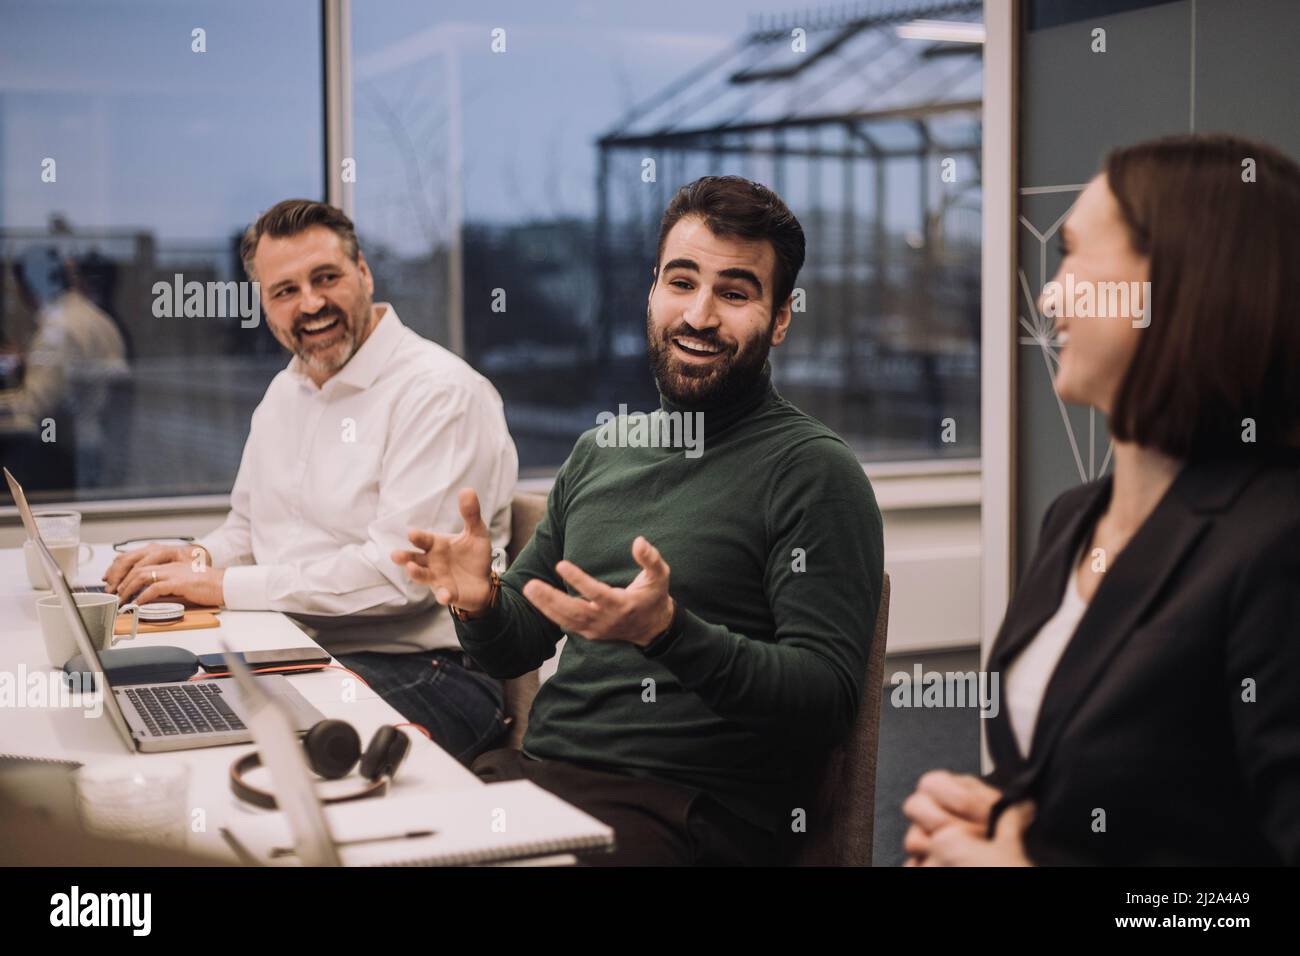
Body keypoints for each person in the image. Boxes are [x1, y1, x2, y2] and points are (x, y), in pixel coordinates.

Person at [394, 176, 884, 865]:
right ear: (652, 291)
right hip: (540, 784)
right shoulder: (601, 451)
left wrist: (669, 633)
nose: (701, 315)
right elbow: (514, 648)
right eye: (682, 282)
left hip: (690, 816)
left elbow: (826, 702)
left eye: (735, 293)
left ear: (779, 319)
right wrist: (479, 605)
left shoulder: (814, 472)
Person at [903, 133, 1300, 866]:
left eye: (1075, 254)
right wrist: (1002, 813)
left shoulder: (1277, 543)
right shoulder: (1074, 518)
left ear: (1181, 282)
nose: (1049, 295)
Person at [103, 200, 519, 765]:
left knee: (241, 754)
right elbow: (248, 529)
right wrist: (194, 558)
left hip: (431, 671)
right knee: (156, 711)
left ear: (364, 273)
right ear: (266, 306)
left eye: (326, 278)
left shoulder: (440, 393)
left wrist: (220, 586)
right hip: (303, 651)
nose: (312, 303)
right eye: (286, 290)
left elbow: (401, 580)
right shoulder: (286, 391)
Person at [0, 246, 128, 490]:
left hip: (66, 450)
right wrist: (30, 360)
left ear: (29, 285)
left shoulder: (56, 331)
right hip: (101, 445)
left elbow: (36, 407)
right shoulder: (99, 319)